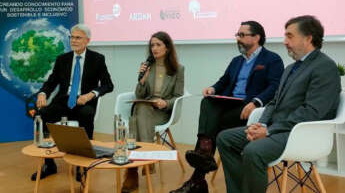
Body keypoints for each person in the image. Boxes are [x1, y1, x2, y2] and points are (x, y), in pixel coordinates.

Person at [216, 15, 341, 193]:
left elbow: (311, 112)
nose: (284, 42)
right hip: (278, 129)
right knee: (225, 138)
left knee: (254, 150)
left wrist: (268, 131)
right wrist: (262, 124)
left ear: (308, 38)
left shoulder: (324, 67)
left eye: (290, 36)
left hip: (299, 134)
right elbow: (275, 101)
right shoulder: (291, 68)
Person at [170, 21, 284, 193]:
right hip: (230, 103)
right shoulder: (236, 61)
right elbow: (224, 81)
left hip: (250, 107)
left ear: (257, 37)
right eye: (237, 35)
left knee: (216, 123)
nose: (238, 38)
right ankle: (205, 156)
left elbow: (275, 87)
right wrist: (213, 89)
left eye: (242, 35)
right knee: (207, 101)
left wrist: (256, 102)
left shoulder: (272, 59)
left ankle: (200, 170)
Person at [31, 24, 114, 181]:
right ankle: (49, 165)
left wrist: (91, 94)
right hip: (64, 101)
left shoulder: (97, 59)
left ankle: (82, 166)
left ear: (87, 40)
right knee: (41, 116)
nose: (73, 40)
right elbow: (51, 82)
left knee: (86, 116)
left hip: (84, 101)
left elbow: (108, 85)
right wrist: (42, 93)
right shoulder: (63, 59)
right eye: (72, 37)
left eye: (78, 37)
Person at [121, 31, 184, 192]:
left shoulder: (178, 69)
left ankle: (132, 171)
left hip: (162, 112)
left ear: (167, 48)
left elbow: (178, 96)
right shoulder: (148, 67)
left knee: (135, 120)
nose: (154, 48)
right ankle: (147, 160)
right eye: (152, 45)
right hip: (145, 107)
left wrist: (165, 103)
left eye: (158, 45)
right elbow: (140, 95)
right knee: (141, 109)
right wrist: (142, 79)